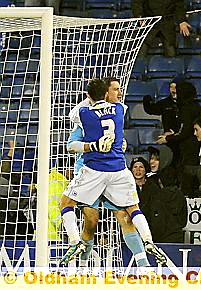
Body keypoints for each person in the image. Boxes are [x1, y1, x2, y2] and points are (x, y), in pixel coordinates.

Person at [60, 77, 166, 267]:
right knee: (92, 220)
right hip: (90, 170)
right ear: (106, 93)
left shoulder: (99, 112)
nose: (120, 93)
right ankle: (83, 269)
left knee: (125, 217)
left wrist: (121, 143)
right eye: (116, 90)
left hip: (106, 171)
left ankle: (144, 266)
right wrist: (92, 146)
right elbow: (71, 145)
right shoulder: (90, 115)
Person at [156, 81, 201, 196]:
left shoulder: (187, 109)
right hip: (196, 150)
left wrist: (168, 139)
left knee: (187, 180)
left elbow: (184, 132)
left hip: (189, 152)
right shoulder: (197, 107)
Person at [131, 146, 187, 243]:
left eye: (156, 159)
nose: (152, 162)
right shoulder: (152, 183)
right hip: (154, 237)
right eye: (151, 158)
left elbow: (180, 216)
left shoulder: (172, 181)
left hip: (170, 237)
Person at [143, 77, 182, 166]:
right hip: (169, 142)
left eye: (175, 87)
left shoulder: (187, 105)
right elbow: (151, 110)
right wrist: (146, 99)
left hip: (183, 142)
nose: (173, 90)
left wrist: (175, 132)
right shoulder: (165, 103)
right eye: (171, 87)